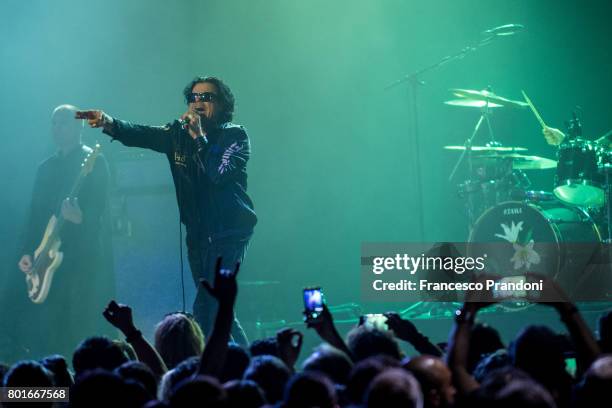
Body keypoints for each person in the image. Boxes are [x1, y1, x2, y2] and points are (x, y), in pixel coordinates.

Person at [76, 76, 256, 345]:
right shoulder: (177, 135)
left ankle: (210, 370)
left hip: (228, 232)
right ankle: (248, 365)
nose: (198, 103)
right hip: (197, 234)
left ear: (222, 104)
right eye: (194, 97)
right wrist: (109, 122)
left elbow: (218, 173)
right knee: (218, 309)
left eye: (207, 97)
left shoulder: (235, 136)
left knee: (206, 308)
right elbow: (142, 133)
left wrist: (199, 137)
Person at [17, 104, 114, 357]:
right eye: (54, 123)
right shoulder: (45, 168)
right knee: (51, 326)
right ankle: (53, 387)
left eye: (64, 123)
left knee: (79, 323)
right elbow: (35, 216)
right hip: (47, 259)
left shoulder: (94, 160)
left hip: (81, 257)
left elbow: (101, 210)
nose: (57, 128)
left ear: (79, 127)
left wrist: (81, 217)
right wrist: (28, 252)